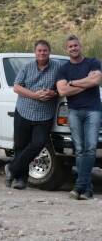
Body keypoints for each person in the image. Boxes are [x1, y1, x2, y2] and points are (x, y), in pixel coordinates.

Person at [5, 40, 61, 189]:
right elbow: (17, 87)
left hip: (44, 114)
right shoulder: (27, 67)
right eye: (39, 50)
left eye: (45, 50)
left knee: (38, 143)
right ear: (35, 52)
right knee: (20, 146)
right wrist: (35, 95)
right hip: (24, 110)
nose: (42, 53)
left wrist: (53, 92)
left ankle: (11, 168)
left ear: (49, 51)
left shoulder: (58, 67)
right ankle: (20, 179)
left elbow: (61, 86)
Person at [56, 34, 102, 200]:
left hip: (93, 110)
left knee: (90, 148)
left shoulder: (93, 62)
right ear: (66, 49)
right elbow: (62, 91)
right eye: (70, 46)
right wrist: (86, 82)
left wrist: (73, 83)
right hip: (74, 111)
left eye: (76, 45)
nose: (73, 48)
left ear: (80, 46)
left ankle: (79, 186)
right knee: (80, 149)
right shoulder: (63, 69)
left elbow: (96, 81)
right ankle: (87, 188)